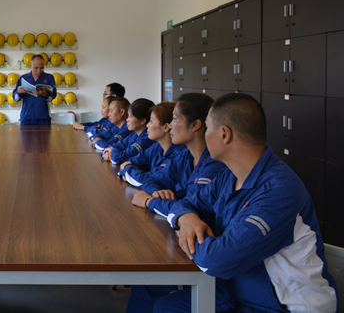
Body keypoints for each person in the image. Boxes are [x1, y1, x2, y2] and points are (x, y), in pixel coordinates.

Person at [133, 93, 339, 313]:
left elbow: (216, 261)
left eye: (207, 128)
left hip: (283, 306)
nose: (204, 135)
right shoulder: (230, 176)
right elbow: (187, 203)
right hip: (239, 289)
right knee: (165, 305)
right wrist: (187, 219)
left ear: (224, 134)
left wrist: (188, 234)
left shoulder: (278, 191)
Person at [131, 93, 226, 219]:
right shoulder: (186, 156)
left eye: (175, 119)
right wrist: (156, 193)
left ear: (195, 125)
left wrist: (149, 201)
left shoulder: (214, 164)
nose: (170, 125)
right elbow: (151, 180)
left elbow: (190, 208)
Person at [119, 102, 186, 188]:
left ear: (166, 127)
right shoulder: (157, 147)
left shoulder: (179, 154)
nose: (147, 125)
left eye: (151, 121)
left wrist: (128, 171)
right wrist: (128, 171)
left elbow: (148, 180)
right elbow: (129, 162)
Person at [102, 98, 156, 165]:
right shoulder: (134, 134)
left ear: (143, 121)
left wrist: (112, 152)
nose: (127, 120)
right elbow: (116, 145)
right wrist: (111, 151)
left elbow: (122, 157)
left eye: (130, 117)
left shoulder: (147, 139)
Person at [12, 54, 57, 125]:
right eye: (36, 68)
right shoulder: (23, 78)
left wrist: (45, 94)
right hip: (26, 117)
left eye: (41, 68)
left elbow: (52, 97)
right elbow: (15, 98)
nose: (39, 71)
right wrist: (19, 92)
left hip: (43, 118)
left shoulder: (49, 78)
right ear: (31, 66)